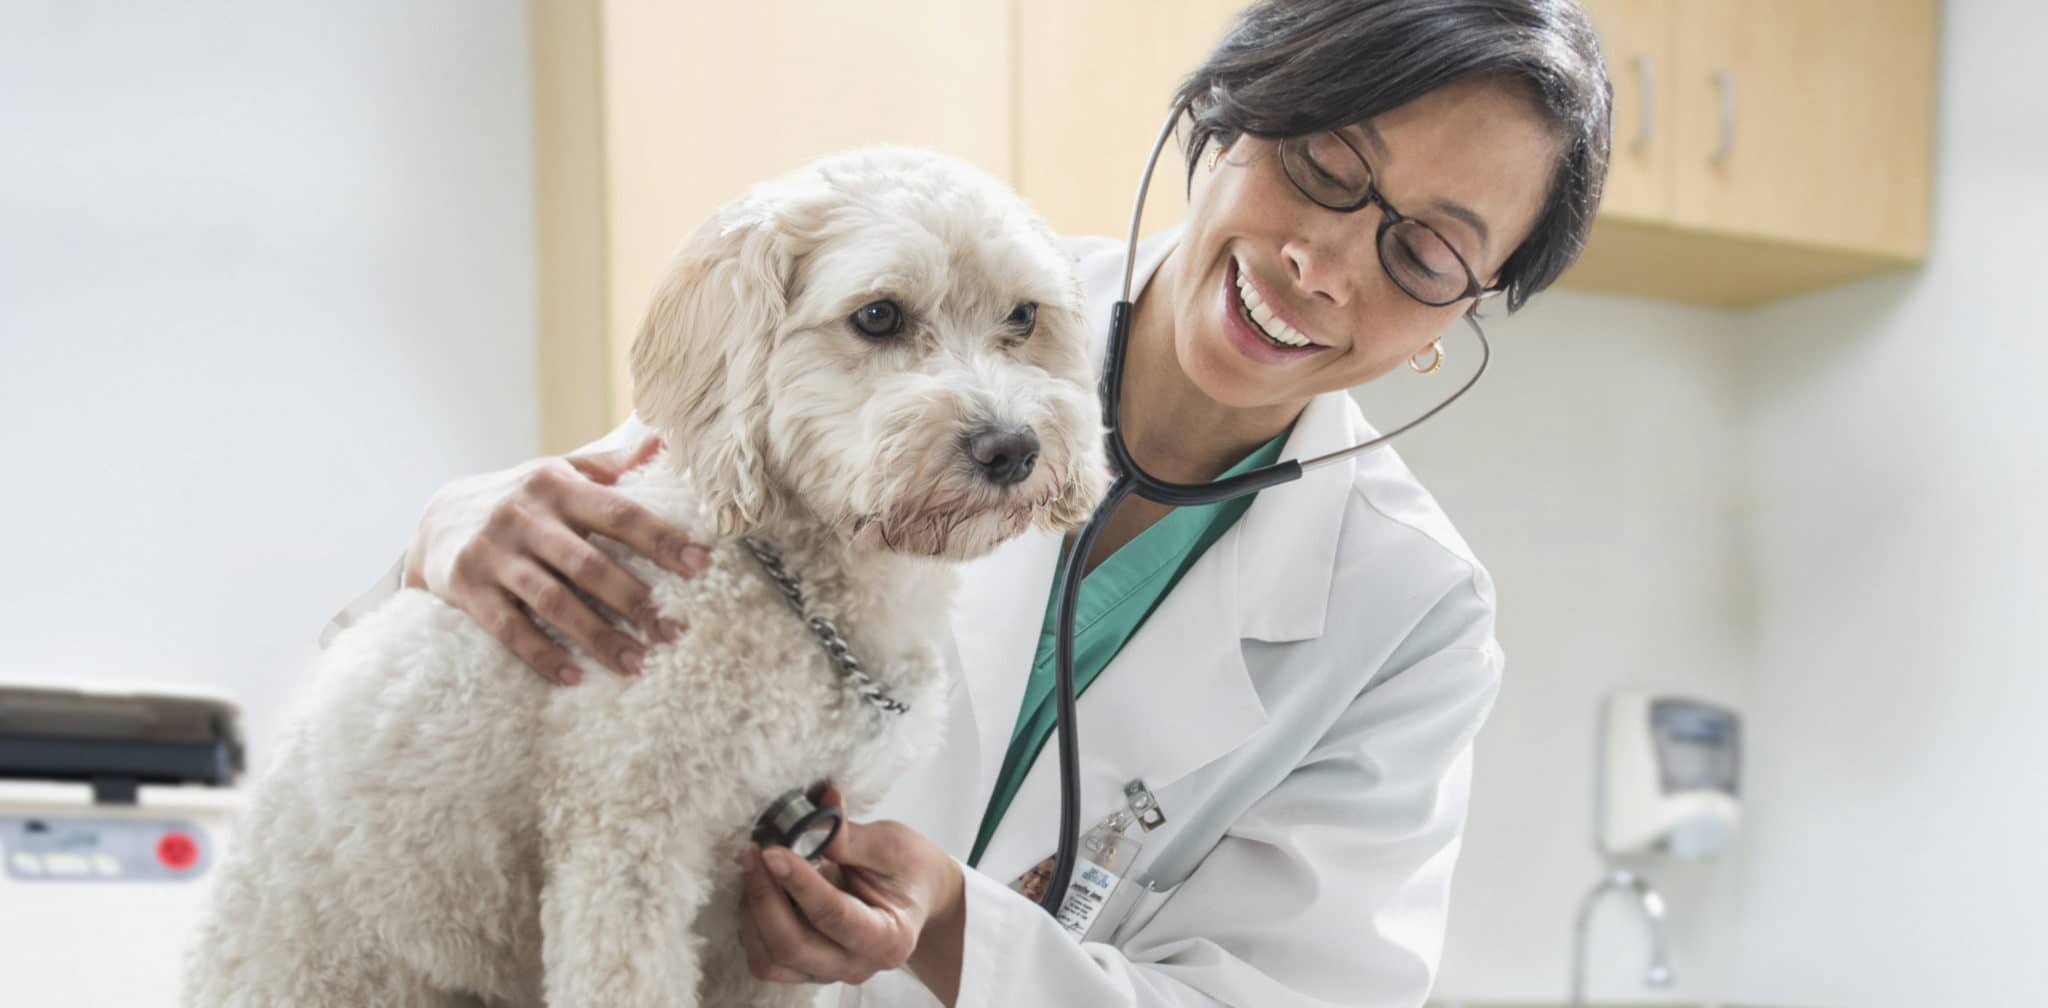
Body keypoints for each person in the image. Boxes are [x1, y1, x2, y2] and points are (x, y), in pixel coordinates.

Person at [330, 2, 1611, 1004]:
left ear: (1458, 316)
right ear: (1227, 120)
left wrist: (954, 929)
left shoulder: (1411, 614)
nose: (1322, 265)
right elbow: (504, 662)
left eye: (1424, 252)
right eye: (1325, 165)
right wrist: (443, 544)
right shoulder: (897, 297)